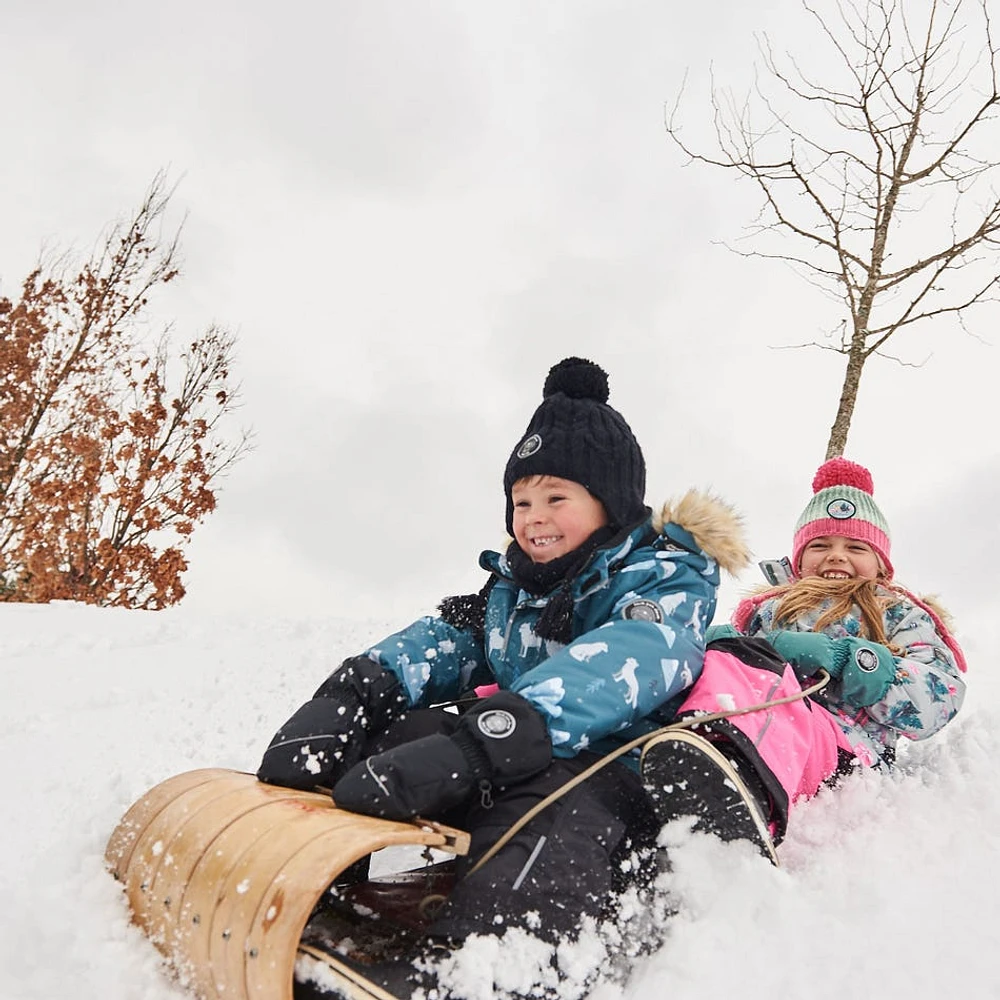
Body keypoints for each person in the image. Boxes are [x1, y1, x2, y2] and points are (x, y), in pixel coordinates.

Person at [256, 356, 754, 965]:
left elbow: (636, 656)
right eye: (520, 502)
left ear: (612, 503)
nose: (533, 516)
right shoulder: (513, 590)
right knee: (401, 735)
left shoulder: (663, 578)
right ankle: (322, 884)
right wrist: (354, 695)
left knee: (548, 808)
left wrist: (492, 737)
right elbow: (445, 642)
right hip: (509, 756)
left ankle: (498, 961)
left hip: (611, 774)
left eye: (555, 496)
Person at [711, 457, 967, 771]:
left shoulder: (898, 613)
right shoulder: (767, 612)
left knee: (781, 731)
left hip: (846, 749)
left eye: (856, 548)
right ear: (799, 560)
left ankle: (731, 783)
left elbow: (940, 698)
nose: (836, 555)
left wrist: (847, 660)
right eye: (820, 545)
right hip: (751, 721)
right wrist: (715, 650)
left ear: (881, 565)